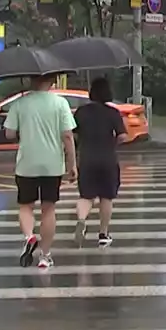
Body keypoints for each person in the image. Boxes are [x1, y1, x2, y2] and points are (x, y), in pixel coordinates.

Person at [3, 73, 77, 270]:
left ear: (31, 81)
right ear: (52, 82)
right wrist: (72, 165)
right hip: (52, 165)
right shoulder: (60, 103)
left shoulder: (20, 103)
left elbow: (9, 133)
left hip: (26, 163)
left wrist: (22, 131)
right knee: (48, 209)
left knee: (26, 206)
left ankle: (29, 237)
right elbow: (68, 136)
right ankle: (45, 256)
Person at [72, 77, 127, 248]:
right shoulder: (112, 112)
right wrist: (112, 143)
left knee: (86, 196)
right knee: (106, 197)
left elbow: (73, 133)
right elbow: (122, 135)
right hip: (107, 159)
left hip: (87, 159)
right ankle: (103, 234)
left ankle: (82, 220)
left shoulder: (81, 112)